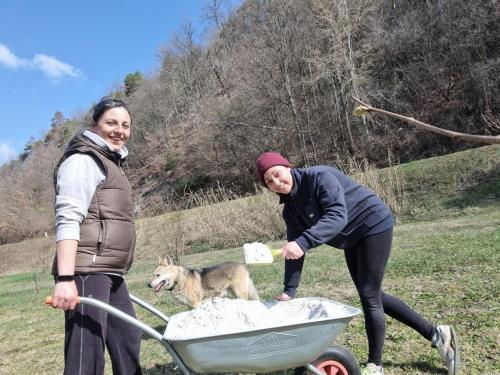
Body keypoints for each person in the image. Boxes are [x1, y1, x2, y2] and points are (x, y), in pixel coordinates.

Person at [255, 151, 459, 375]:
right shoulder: (289, 210)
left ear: (288, 167)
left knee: (369, 295)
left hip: (372, 224)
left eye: (277, 174)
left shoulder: (320, 177)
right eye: (268, 181)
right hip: (351, 239)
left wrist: (303, 242)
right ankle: (436, 334)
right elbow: (295, 251)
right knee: (374, 295)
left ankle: (375, 365)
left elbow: (336, 215)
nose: (275, 182)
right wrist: (289, 291)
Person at [49, 98, 142, 375]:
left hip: (109, 270)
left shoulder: (110, 162)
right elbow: (68, 218)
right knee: (85, 352)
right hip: (86, 269)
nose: (119, 130)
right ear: (94, 125)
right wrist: (66, 279)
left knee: (127, 339)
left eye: (125, 125)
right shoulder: (82, 160)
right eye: (111, 122)